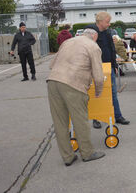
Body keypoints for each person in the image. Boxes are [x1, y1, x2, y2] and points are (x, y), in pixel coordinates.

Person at [47, 29, 106, 166]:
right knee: (80, 120)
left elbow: (52, 64)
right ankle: (87, 153)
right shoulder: (93, 46)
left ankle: (67, 157)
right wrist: (98, 91)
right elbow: (98, 74)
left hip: (53, 81)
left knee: (60, 122)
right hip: (74, 84)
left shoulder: (67, 42)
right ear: (94, 36)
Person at [85, 12, 130, 128]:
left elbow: (112, 49)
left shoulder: (108, 33)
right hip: (96, 68)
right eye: (107, 22)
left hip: (108, 67)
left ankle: (118, 116)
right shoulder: (91, 32)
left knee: (113, 93)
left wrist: (115, 66)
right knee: (97, 93)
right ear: (100, 21)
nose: (109, 24)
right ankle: (96, 118)